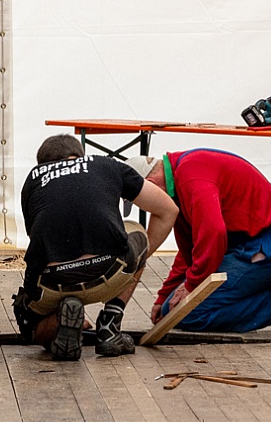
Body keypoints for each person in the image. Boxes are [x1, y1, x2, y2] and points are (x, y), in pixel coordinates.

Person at [16, 134, 177, 359]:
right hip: (108, 271)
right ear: (79, 154)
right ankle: (110, 325)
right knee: (137, 233)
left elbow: (37, 236)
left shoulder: (34, 178)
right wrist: (137, 263)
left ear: (43, 164)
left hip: (52, 283)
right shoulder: (106, 164)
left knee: (33, 328)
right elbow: (168, 210)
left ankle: (62, 319)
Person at [146, 149, 271, 332]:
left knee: (187, 315)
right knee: (170, 308)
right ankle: (263, 284)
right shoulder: (179, 180)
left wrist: (192, 285)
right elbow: (191, 249)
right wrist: (164, 296)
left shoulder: (191, 178)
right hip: (245, 246)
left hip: (266, 249)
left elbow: (213, 233)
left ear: (151, 184)